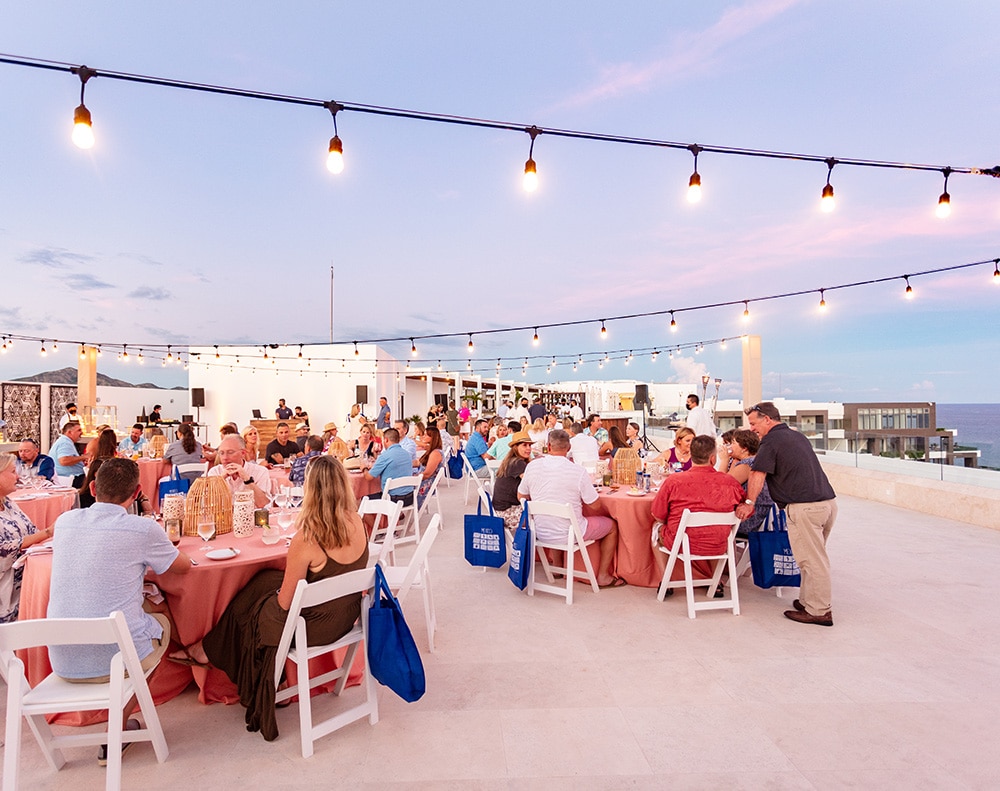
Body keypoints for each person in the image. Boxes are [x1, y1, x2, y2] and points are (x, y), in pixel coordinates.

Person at [171, 455, 368, 741]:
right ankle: (208, 649)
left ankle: (211, 651)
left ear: (311, 489)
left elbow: (285, 605)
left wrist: (259, 603)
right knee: (261, 581)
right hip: (344, 616)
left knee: (251, 612)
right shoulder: (358, 521)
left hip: (313, 627)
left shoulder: (308, 537)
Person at [47, 458, 191, 751]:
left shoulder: (64, 522)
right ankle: (118, 727)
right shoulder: (141, 529)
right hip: (115, 659)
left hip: (61, 660)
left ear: (93, 487)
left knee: (145, 600)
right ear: (137, 491)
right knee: (161, 619)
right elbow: (183, 567)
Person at [737, 402, 837, 627]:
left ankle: (820, 611)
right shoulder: (795, 435)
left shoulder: (771, 440)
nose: (752, 428)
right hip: (827, 503)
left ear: (767, 420)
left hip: (806, 507)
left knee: (812, 561)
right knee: (811, 558)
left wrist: (749, 502)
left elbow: (757, 473)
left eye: (754, 423)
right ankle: (809, 601)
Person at [517, 429, 623, 588]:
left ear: (548, 446)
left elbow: (521, 496)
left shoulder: (532, 467)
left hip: (539, 531)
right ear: (568, 448)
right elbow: (595, 505)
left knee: (557, 517)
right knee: (612, 527)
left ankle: (557, 568)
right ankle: (603, 576)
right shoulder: (577, 471)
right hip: (569, 533)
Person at [650, 435, 746, 590]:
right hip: (719, 544)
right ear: (713, 459)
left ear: (692, 456)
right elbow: (740, 506)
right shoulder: (730, 483)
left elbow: (658, 514)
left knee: (656, 529)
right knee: (717, 530)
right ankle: (716, 581)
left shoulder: (674, 481)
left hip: (682, 542)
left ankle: (665, 580)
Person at [0, 454, 51, 623]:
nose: (18, 476)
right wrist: (48, 532)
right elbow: (3, 551)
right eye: (13, 471)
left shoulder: (8, 503)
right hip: (5, 593)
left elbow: (31, 531)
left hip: (24, 581)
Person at [727, 429, 774, 535]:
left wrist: (724, 460)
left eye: (733, 443)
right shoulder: (757, 461)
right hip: (761, 515)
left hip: (749, 518)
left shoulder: (747, 464)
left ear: (744, 448)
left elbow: (722, 485)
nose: (730, 446)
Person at [207, 435, 272, 507]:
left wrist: (247, 479)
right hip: (223, 517)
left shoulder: (260, 472)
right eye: (221, 453)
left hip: (252, 517)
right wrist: (221, 479)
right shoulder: (215, 472)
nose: (225, 457)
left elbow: (263, 504)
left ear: (243, 453)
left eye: (230, 452)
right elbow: (208, 503)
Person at [492, 431, 533, 530]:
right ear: (516, 447)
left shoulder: (511, 460)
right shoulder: (518, 463)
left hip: (499, 510)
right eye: (524, 445)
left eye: (529, 445)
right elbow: (531, 484)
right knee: (541, 516)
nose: (528, 448)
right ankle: (534, 544)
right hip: (506, 512)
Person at [364, 427, 416, 506]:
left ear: (386, 440)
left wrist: (364, 468)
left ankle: (383, 517)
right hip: (409, 497)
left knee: (364, 500)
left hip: (392, 499)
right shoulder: (407, 454)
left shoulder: (385, 456)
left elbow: (368, 477)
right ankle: (395, 516)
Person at [50, 421, 87, 487]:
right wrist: (83, 457)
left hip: (67, 477)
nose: (81, 433)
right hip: (70, 478)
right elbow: (64, 461)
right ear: (69, 432)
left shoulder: (65, 441)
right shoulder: (65, 443)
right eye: (79, 430)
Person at [416, 426, 444, 509]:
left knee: (399, 488)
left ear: (433, 438)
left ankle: (398, 511)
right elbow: (419, 462)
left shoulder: (436, 453)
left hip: (425, 484)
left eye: (426, 435)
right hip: (423, 480)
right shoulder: (431, 451)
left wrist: (412, 478)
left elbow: (427, 474)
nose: (423, 436)